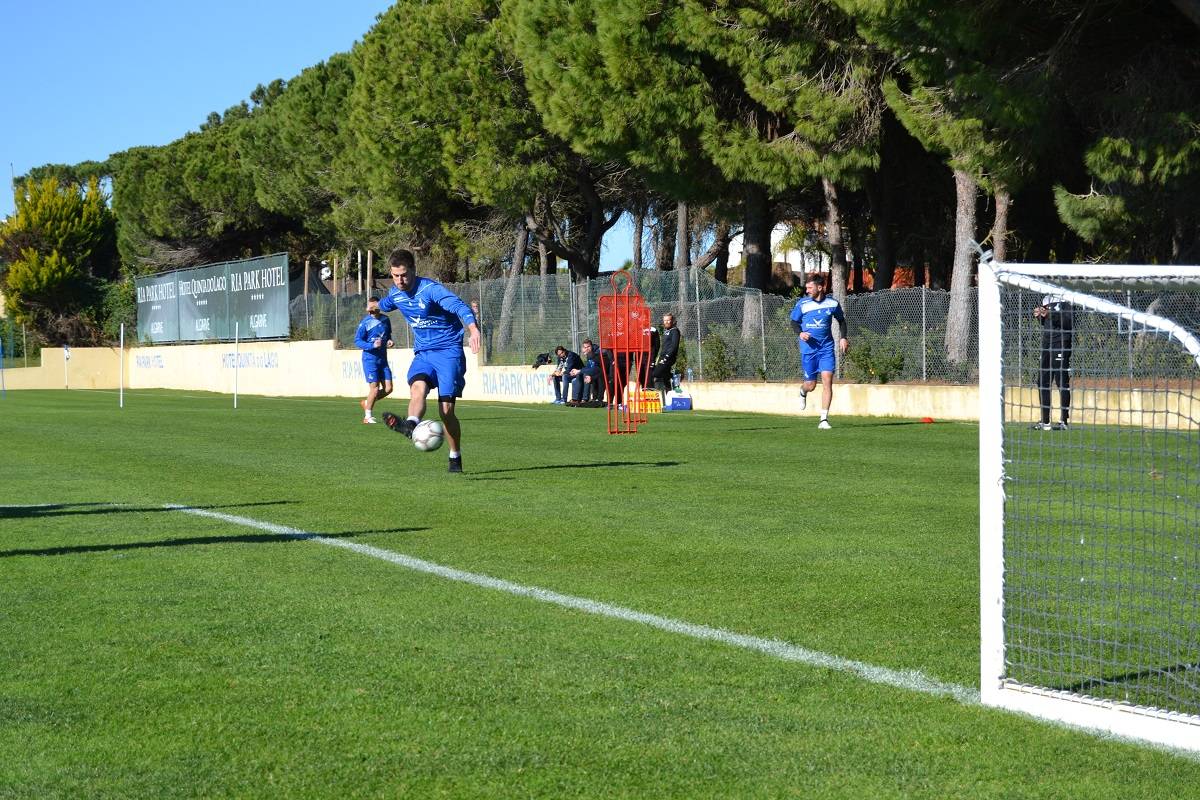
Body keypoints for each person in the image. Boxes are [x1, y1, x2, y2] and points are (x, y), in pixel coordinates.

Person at [378, 249, 481, 473]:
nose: (399, 281)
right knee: (417, 388)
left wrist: (473, 329)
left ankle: (455, 456)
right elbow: (385, 304)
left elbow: (459, 306)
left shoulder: (430, 289)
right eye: (395, 276)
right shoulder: (395, 294)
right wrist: (373, 307)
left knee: (446, 410)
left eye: (404, 275)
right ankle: (410, 425)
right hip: (423, 353)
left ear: (413, 270)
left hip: (448, 352)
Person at [790, 273, 849, 429]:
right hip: (808, 350)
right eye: (807, 288)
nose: (807, 290)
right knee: (811, 385)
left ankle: (823, 419)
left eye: (810, 288)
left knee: (827, 380)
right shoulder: (802, 304)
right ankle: (803, 391)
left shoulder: (832, 304)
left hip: (826, 349)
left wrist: (843, 338)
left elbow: (841, 321)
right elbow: (794, 322)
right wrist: (800, 333)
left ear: (820, 287)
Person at [1032, 293, 1074, 430]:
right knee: (1042, 381)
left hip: (1061, 342)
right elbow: (1046, 322)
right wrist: (1040, 316)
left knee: (1061, 381)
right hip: (1047, 343)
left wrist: (1050, 314)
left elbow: (1068, 322)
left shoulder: (1067, 297)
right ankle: (1045, 422)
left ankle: (1063, 421)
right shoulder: (1046, 298)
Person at [353, 297, 394, 424]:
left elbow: (388, 335)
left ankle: (367, 402)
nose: (370, 310)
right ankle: (367, 417)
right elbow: (357, 341)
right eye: (369, 308)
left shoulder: (385, 319)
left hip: (383, 359)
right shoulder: (365, 323)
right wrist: (372, 345)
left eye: (373, 307)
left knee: (388, 389)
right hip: (370, 359)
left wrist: (389, 341)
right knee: (374, 389)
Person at [649, 312, 680, 401]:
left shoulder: (675, 331)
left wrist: (666, 357)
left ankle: (672, 375)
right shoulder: (666, 331)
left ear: (672, 321)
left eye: (668, 320)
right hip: (662, 357)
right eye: (665, 320)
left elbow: (674, 346)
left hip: (668, 358)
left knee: (655, 374)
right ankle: (669, 400)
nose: (666, 322)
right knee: (666, 379)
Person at [567, 339, 603, 405]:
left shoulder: (597, 354)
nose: (587, 349)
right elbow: (588, 366)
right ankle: (577, 398)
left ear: (591, 346)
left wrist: (580, 371)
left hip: (601, 373)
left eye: (588, 347)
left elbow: (596, 369)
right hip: (595, 371)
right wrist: (576, 371)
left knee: (585, 374)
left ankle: (585, 399)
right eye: (585, 347)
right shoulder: (589, 354)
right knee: (579, 375)